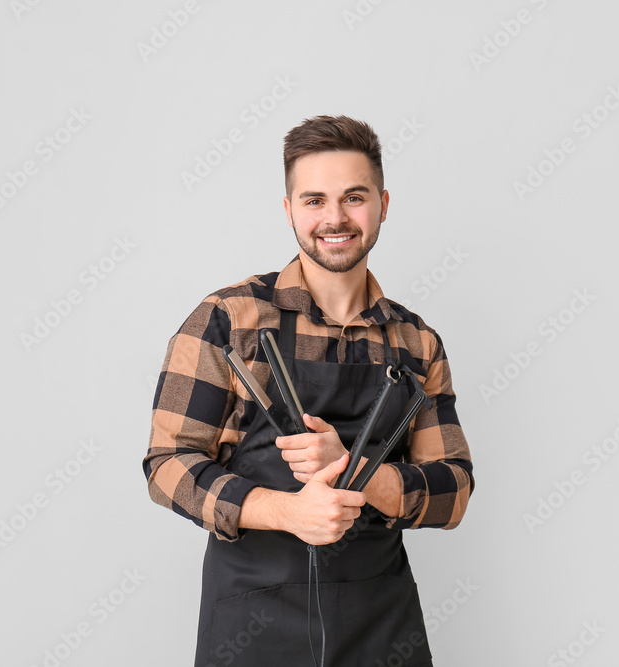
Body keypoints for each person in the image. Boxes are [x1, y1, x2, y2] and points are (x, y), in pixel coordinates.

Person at [143, 115, 474, 667]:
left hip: (381, 627)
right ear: (289, 209)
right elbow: (167, 465)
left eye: (354, 197)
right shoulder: (229, 321)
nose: (335, 218)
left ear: (383, 204)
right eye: (314, 200)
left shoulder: (415, 343)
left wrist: (356, 474)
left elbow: (454, 491)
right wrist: (286, 512)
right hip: (251, 626)